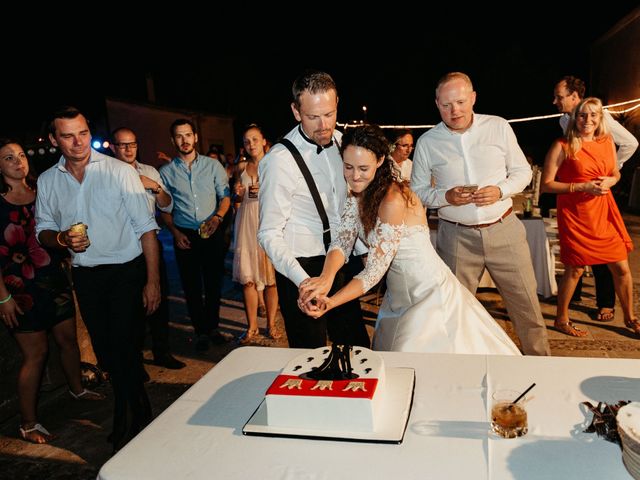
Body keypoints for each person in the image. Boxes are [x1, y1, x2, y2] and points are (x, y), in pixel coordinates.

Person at [298, 125, 520, 355]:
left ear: (381, 160)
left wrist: (331, 302)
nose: (354, 176)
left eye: (363, 168)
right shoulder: (359, 191)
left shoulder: (393, 198)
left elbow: (374, 272)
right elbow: (342, 241)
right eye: (348, 167)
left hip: (428, 295)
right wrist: (325, 277)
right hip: (398, 294)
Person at [35, 106, 160, 452]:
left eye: (84, 133)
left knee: (125, 346)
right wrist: (61, 240)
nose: (78, 142)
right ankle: (137, 407)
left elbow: (147, 229)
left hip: (126, 272)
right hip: (86, 276)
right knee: (107, 352)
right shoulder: (47, 181)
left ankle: (128, 415)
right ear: (53, 140)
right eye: (68, 135)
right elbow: (42, 229)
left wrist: (152, 282)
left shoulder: (119, 172)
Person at [411, 72, 550, 356]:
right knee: (455, 312)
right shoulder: (427, 142)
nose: (455, 111)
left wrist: (500, 191)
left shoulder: (497, 127)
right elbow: (418, 191)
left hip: (504, 231)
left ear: (473, 98)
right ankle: (461, 370)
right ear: (437, 104)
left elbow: (523, 172)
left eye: (461, 102)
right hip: (456, 237)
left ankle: (541, 364)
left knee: (527, 309)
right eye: (447, 105)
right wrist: (444, 197)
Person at [0, 139, 103, 444]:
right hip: (20, 288)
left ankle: (77, 388)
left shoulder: (41, 190)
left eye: (21, 154)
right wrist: (3, 297)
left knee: (68, 340)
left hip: (53, 278)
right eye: (8, 158)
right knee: (36, 354)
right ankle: (29, 423)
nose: (18, 161)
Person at [258, 70, 369, 348]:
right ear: (296, 111)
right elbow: (269, 233)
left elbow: (351, 207)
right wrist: (304, 281)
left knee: (356, 349)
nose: (324, 125)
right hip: (301, 265)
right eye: (313, 117)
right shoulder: (279, 160)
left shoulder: (344, 143)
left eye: (329, 114)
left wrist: (363, 251)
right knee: (311, 357)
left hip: (340, 261)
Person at [541, 97, 637, 337]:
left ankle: (630, 318)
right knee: (575, 269)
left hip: (604, 212)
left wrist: (611, 180)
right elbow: (547, 185)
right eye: (583, 115)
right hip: (576, 215)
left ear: (600, 119)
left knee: (621, 267)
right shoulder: (562, 145)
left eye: (593, 115)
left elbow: (614, 173)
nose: (588, 120)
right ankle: (561, 319)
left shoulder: (607, 142)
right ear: (575, 118)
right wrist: (581, 186)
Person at [110, 127, 185, 370]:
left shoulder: (149, 171)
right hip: (124, 249)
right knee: (132, 308)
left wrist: (155, 186)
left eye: (132, 144)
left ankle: (162, 353)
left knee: (158, 301)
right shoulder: (106, 175)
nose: (129, 149)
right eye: (122, 145)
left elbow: (166, 206)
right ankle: (136, 364)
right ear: (113, 148)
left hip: (151, 246)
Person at [159, 119, 231, 352]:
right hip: (185, 234)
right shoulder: (166, 173)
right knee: (191, 285)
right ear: (173, 141)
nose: (185, 140)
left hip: (212, 229)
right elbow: (165, 209)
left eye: (188, 135)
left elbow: (225, 197)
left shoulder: (213, 166)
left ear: (196, 137)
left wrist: (217, 218)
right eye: (179, 136)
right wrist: (174, 232)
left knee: (213, 283)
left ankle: (212, 327)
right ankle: (200, 331)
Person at [232, 124, 280, 342]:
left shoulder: (275, 165)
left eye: (254, 139)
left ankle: (271, 324)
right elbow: (238, 200)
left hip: (269, 221)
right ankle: (251, 327)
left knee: (271, 279)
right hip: (247, 224)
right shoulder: (240, 168)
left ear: (263, 141)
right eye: (246, 141)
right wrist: (238, 195)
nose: (250, 144)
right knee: (248, 278)